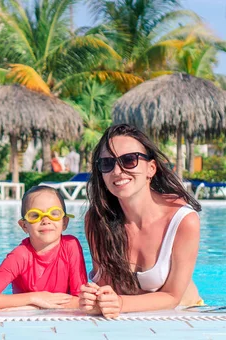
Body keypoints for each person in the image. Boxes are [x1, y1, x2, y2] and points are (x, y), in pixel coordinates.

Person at [80, 124, 202, 319]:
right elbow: (105, 284)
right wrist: (94, 298)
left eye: (129, 160)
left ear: (151, 168)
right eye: (107, 163)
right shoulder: (97, 220)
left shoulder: (182, 221)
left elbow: (172, 297)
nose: (117, 171)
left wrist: (119, 303)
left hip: (185, 314)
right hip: (130, 316)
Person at [0, 186, 87, 311]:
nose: (46, 220)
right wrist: (35, 298)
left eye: (54, 214)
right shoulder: (20, 256)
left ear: (65, 222)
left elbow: (81, 300)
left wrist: (32, 307)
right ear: (24, 226)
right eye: (35, 215)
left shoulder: (71, 246)